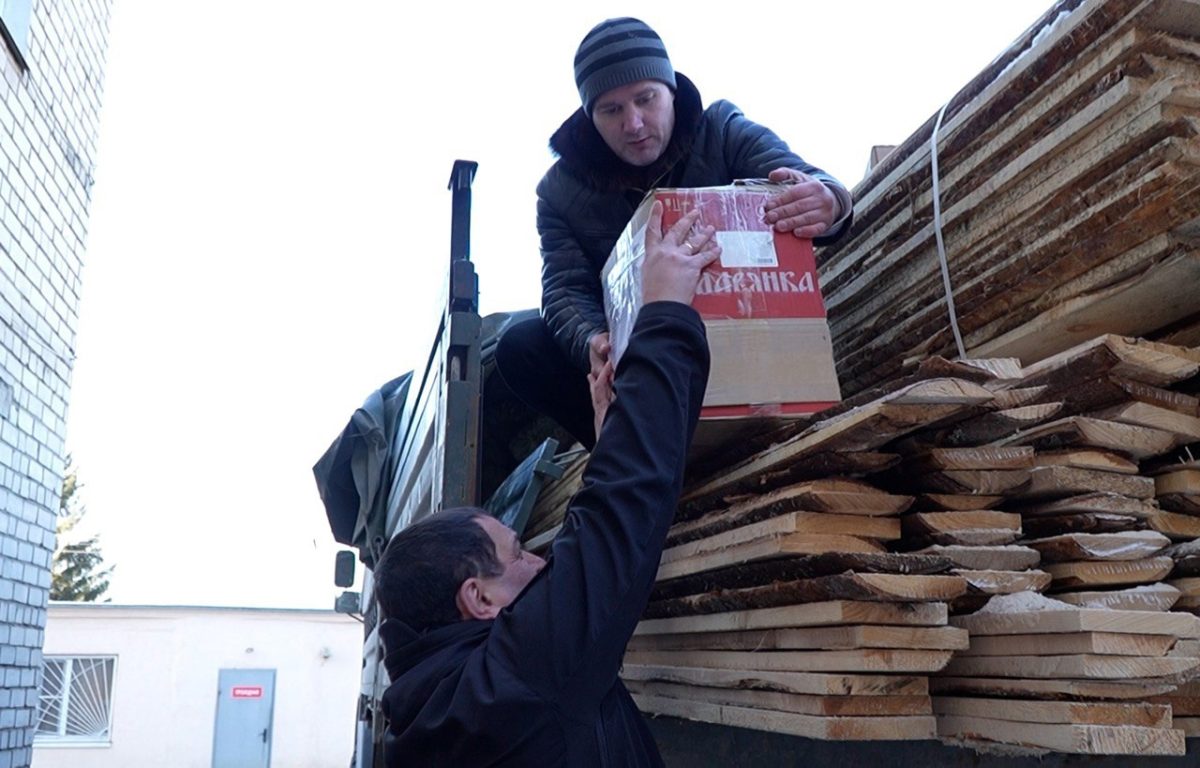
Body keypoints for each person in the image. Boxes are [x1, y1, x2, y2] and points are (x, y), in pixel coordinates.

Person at [372, 201, 720, 766]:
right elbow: (619, 511)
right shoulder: (514, 684)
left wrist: (608, 443)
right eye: (516, 554)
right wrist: (663, 313)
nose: (540, 561)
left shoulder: (436, 712)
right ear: (478, 598)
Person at [495, 17, 853, 451]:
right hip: (638, 363)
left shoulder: (721, 129)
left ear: (671, 92)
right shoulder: (559, 192)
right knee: (521, 347)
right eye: (611, 110)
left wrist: (831, 201)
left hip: (741, 336)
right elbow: (563, 288)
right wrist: (593, 339)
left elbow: (805, 178)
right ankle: (633, 455)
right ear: (591, 118)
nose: (633, 123)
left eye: (645, 99)